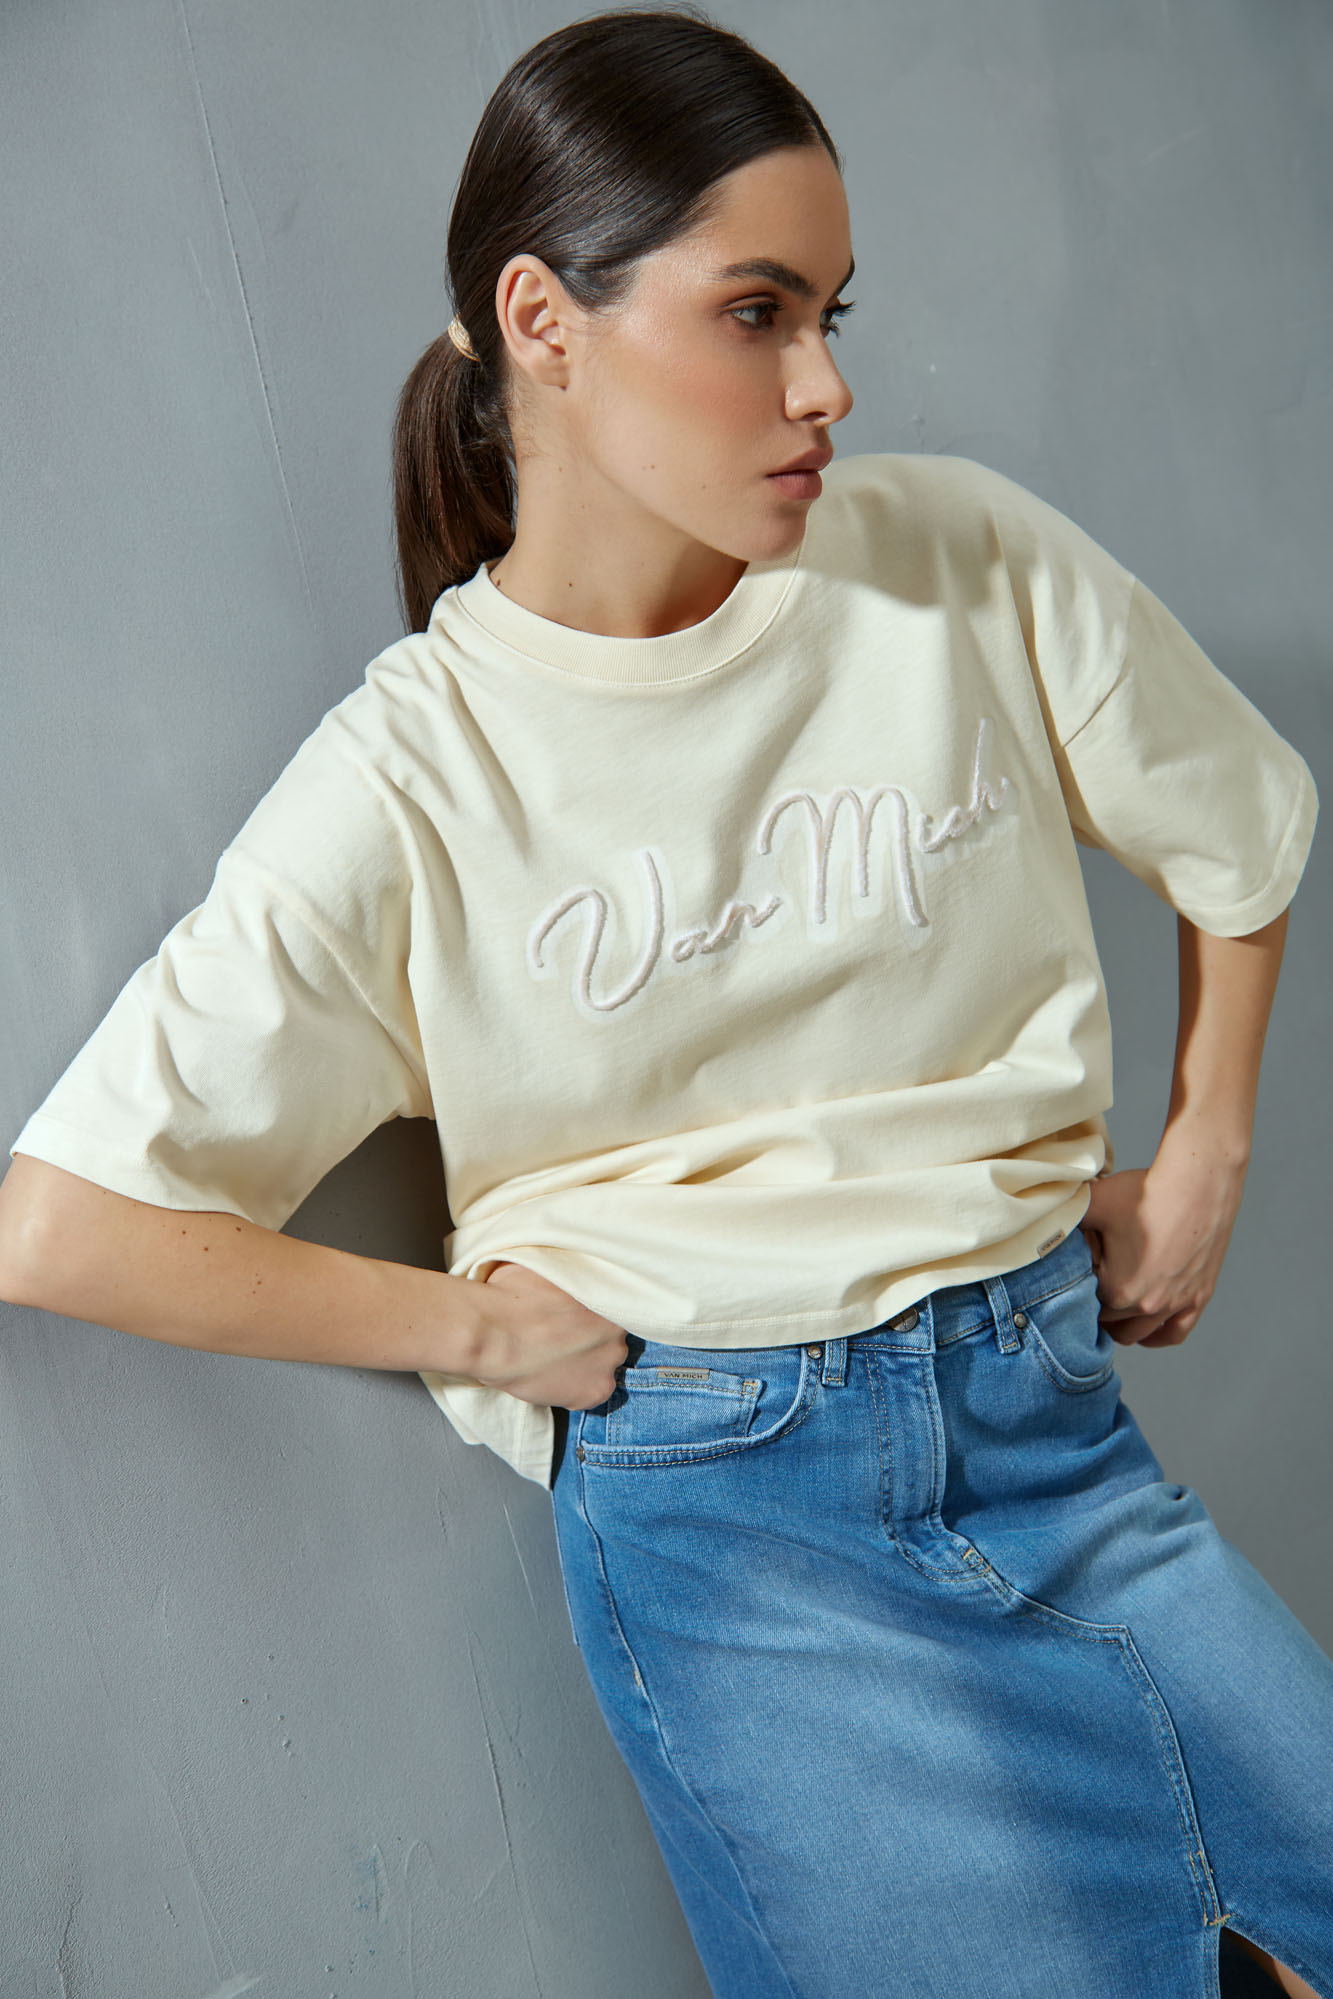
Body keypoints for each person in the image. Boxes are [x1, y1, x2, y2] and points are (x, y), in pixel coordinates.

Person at [0, 7, 1328, 1994]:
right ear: (541, 322)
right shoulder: (417, 775)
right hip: (742, 1524)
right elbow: (64, 1221)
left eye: (830, 314)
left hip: (1056, 1433)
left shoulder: (949, 558)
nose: (827, 383)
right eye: (755, 313)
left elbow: (1235, 829)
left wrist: (1206, 1144)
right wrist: (472, 1329)